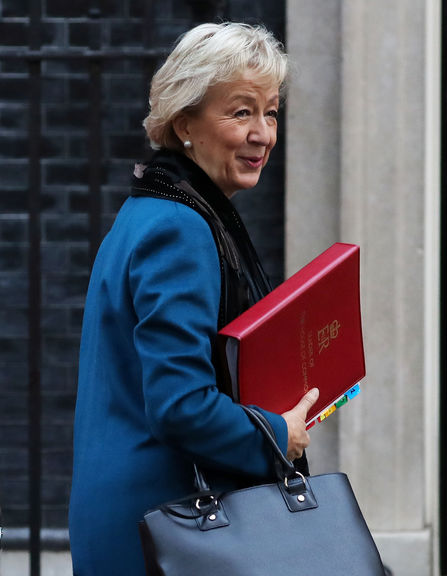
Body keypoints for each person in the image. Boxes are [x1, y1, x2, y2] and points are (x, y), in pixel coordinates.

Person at [68, 22, 319, 575]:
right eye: (241, 112)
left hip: (148, 521)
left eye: (271, 112)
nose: (263, 134)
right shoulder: (179, 228)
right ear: (184, 123)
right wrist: (282, 434)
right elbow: (180, 405)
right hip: (167, 531)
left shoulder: (157, 211)